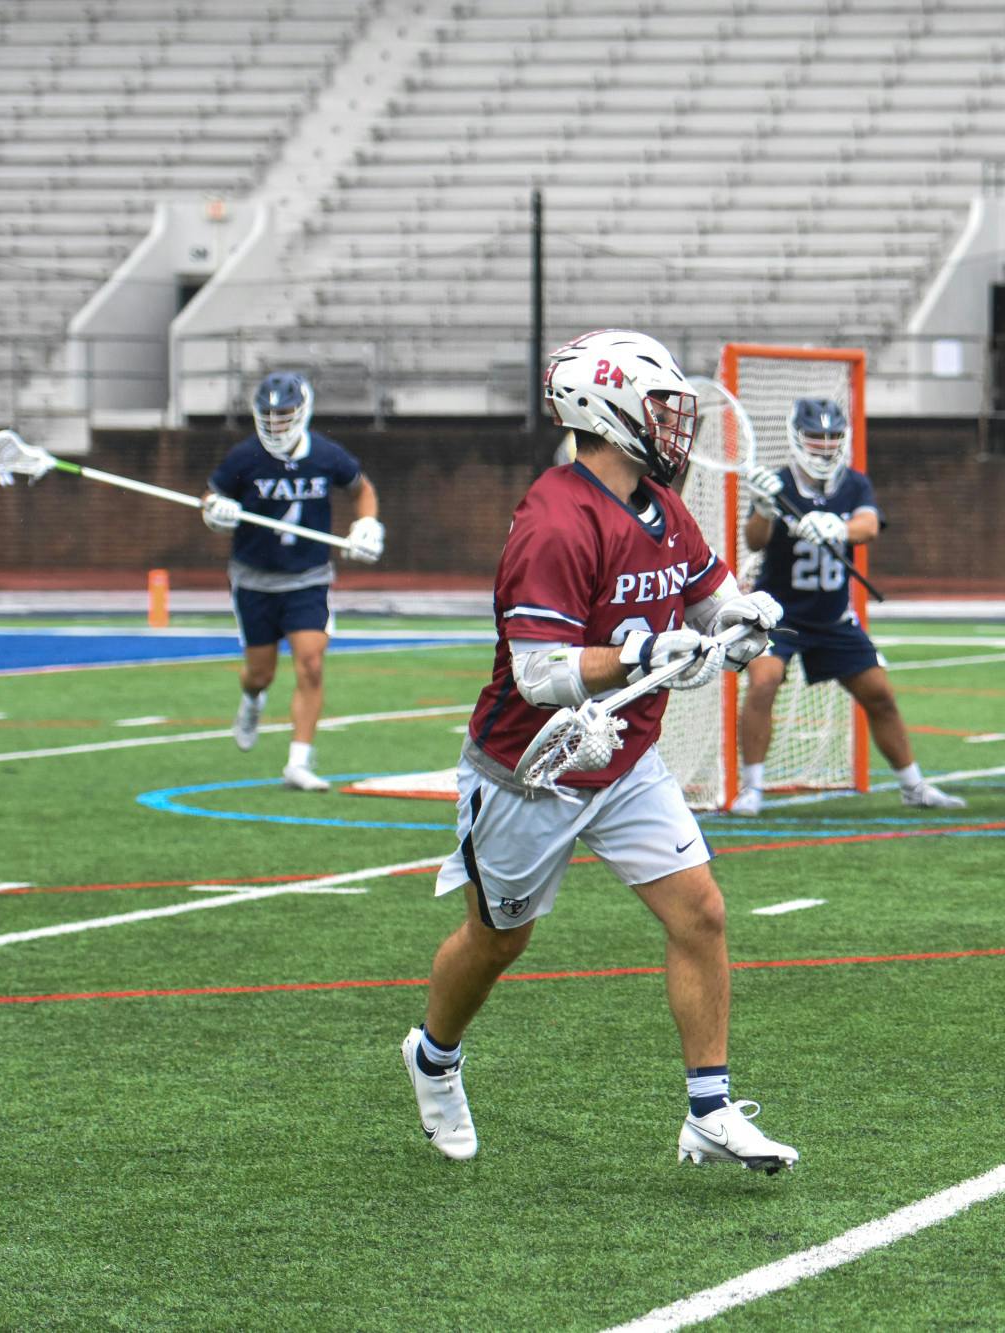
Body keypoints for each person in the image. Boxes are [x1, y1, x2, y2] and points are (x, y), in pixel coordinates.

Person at [401, 329, 798, 1172]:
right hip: (532, 767)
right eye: (658, 405)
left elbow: (710, 601)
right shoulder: (555, 519)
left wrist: (741, 626)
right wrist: (647, 655)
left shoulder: (660, 501)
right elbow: (539, 672)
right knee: (498, 938)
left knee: (702, 912)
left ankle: (709, 1109)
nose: (673, 423)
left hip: (626, 759)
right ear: (606, 409)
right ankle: (433, 1056)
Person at [728, 397, 966, 816]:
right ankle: (753, 788)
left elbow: (869, 525)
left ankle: (913, 786)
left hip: (833, 618)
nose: (823, 445)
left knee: (881, 696)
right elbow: (755, 541)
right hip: (780, 615)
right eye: (815, 437)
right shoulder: (777, 484)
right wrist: (764, 509)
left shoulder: (854, 484)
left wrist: (838, 526)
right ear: (797, 438)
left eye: (832, 436)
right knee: (763, 682)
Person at [202, 371, 383, 791]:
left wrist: (367, 524)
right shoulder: (245, 458)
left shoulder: (326, 455)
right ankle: (252, 699)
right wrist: (217, 512)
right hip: (255, 580)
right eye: (269, 415)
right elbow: (210, 499)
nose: (276, 424)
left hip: (308, 577)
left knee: (311, 662)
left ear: (301, 412)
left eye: (284, 415)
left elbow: (361, 488)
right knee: (260, 673)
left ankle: (298, 761)